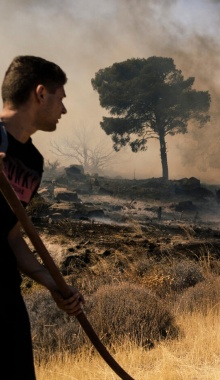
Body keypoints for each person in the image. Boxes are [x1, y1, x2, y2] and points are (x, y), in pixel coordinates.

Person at [1, 55, 84, 379]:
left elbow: (11, 235)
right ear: (40, 93)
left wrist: (52, 283)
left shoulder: (33, 161)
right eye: (60, 98)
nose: (63, 109)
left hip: (7, 297)